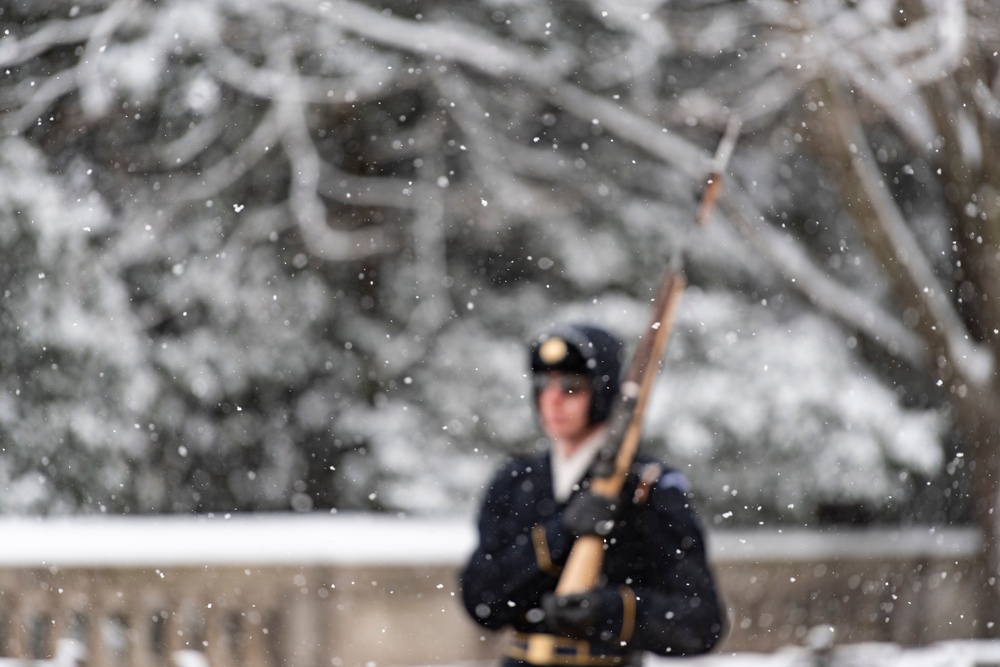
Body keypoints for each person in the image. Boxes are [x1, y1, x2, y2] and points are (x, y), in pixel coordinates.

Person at [459, 323, 725, 666]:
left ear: (602, 392)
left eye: (571, 387)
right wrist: (560, 535)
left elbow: (700, 623)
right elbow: (482, 601)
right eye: (543, 385)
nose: (552, 399)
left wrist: (609, 611)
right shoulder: (513, 482)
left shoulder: (647, 486)